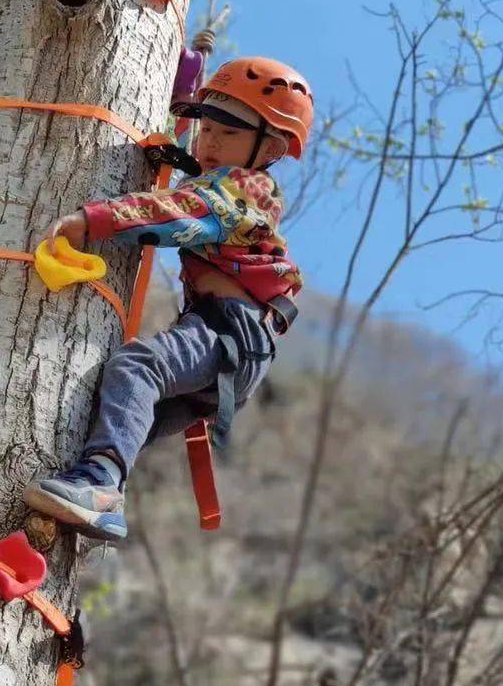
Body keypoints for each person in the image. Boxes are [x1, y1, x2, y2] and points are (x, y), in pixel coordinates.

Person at [23, 57, 313, 540]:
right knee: (121, 411)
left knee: (137, 368)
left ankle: (98, 485)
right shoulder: (218, 176)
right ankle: (96, 499)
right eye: (207, 129)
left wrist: (95, 219)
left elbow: (185, 212)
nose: (212, 142)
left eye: (232, 133)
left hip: (230, 331)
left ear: (273, 147)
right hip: (225, 340)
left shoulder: (248, 190)